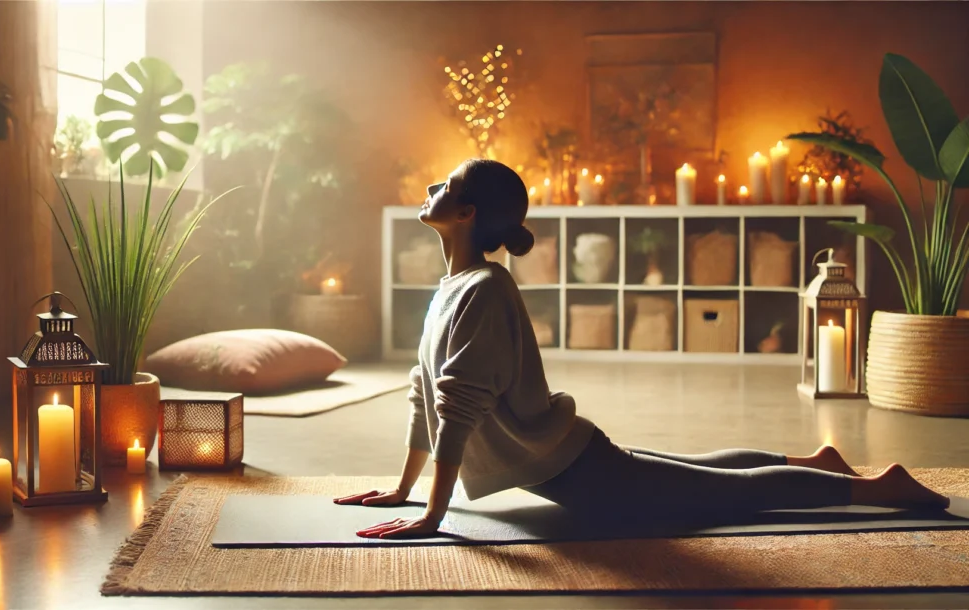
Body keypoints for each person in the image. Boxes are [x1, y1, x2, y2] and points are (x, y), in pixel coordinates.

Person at [334, 159, 950, 539]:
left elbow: (458, 409)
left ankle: (879, 490)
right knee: (702, 469)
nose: (431, 186)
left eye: (447, 184)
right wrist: (404, 490)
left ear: (466, 213)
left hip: (574, 470)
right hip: (566, 459)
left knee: (731, 498)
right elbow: (427, 398)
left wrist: (432, 516)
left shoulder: (486, 290)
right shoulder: (450, 288)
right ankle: (818, 462)